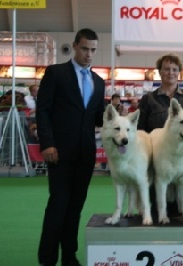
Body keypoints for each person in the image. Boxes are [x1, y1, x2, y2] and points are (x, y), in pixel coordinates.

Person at [36, 28, 105, 266]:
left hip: (86, 155)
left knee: (75, 208)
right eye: (85, 48)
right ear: (75, 46)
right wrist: (47, 143)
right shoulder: (55, 73)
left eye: (93, 50)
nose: (89, 54)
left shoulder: (99, 81)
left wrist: (119, 120)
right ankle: (47, 259)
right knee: (58, 206)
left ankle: (69, 257)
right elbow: (43, 110)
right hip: (59, 153)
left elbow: (98, 117)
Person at [137, 53, 183, 216]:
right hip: (156, 156)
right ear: (160, 72)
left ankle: (182, 213)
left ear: (179, 72)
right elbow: (140, 131)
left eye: (174, 69)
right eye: (166, 69)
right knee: (156, 208)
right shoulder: (148, 99)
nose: (170, 72)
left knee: (178, 206)